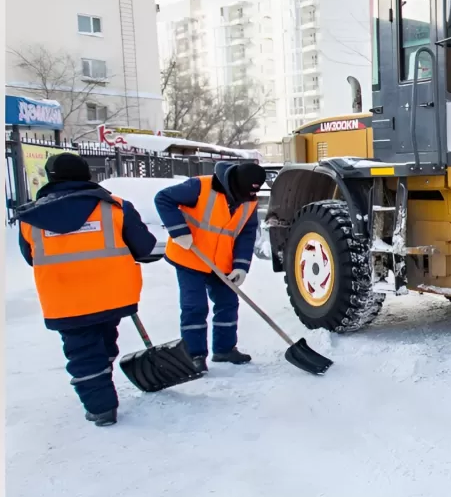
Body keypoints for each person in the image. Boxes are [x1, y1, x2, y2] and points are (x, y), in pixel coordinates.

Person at [17, 153, 157, 427]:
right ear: (87, 175)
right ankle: (100, 383)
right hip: (113, 294)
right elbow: (144, 247)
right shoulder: (116, 207)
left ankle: (101, 407)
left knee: (82, 351)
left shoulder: (30, 217)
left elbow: (30, 257)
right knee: (104, 340)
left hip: (65, 300)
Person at [155, 161, 265, 374]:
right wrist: (179, 231)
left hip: (221, 262)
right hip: (190, 256)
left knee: (228, 305)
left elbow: (246, 234)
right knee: (194, 308)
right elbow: (163, 198)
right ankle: (194, 355)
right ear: (234, 183)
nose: (247, 197)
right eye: (244, 192)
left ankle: (224, 349)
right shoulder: (200, 187)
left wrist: (241, 266)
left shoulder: (249, 202)